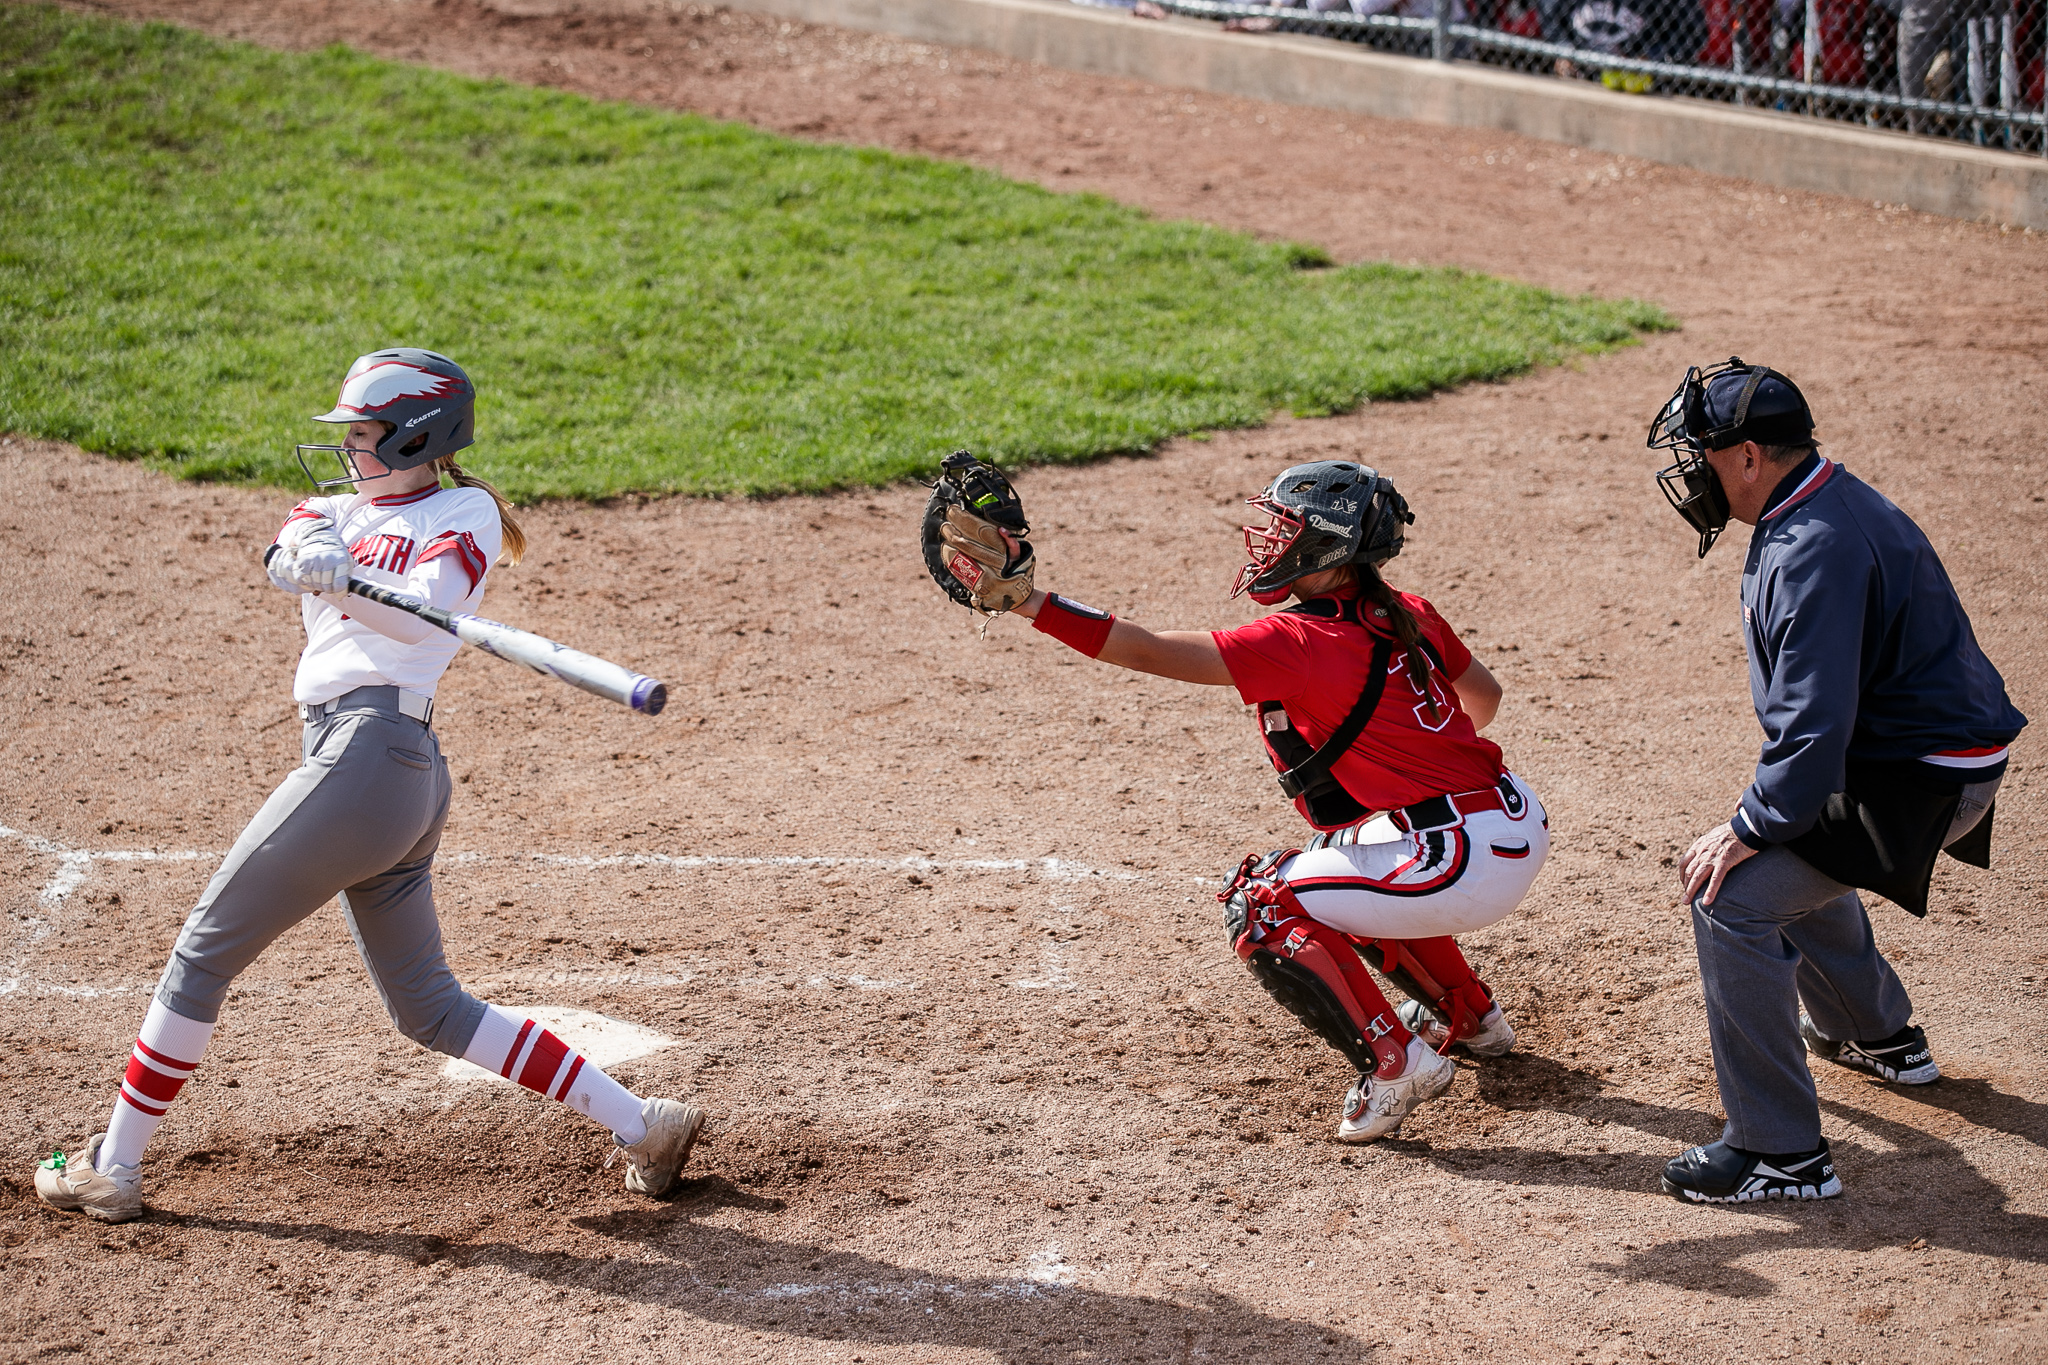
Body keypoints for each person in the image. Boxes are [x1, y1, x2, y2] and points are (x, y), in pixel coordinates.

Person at [33, 349, 706, 1223]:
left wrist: (352, 582)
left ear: (419, 434)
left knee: (202, 950)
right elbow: (290, 544)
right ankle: (645, 1123)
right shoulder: (335, 508)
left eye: (363, 433)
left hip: (374, 754)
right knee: (429, 1007)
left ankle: (113, 1165)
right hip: (372, 766)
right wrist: (313, 555)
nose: (348, 448)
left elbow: (419, 607)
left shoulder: (466, 514)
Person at [927, 456, 1549, 1143]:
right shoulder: (1408, 610)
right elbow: (1482, 702)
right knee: (1337, 858)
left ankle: (1394, 1063)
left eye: (1285, 526)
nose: (1268, 538)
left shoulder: (1298, 640)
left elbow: (1147, 649)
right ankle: (1470, 1015)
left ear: (1327, 544)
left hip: (1457, 857)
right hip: (1510, 818)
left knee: (1262, 901)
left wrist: (1031, 602)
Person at [1648, 357, 2025, 1204]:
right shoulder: (1820, 500)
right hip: (1923, 760)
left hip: (1919, 783)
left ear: (1747, 456)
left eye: (1701, 453)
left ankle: (1779, 1151)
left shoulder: (1812, 546)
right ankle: (1878, 1034)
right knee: (1788, 847)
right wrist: (1770, 820)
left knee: (1729, 893)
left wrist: (1746, 825)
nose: (1691, 473)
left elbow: (1814, 736)